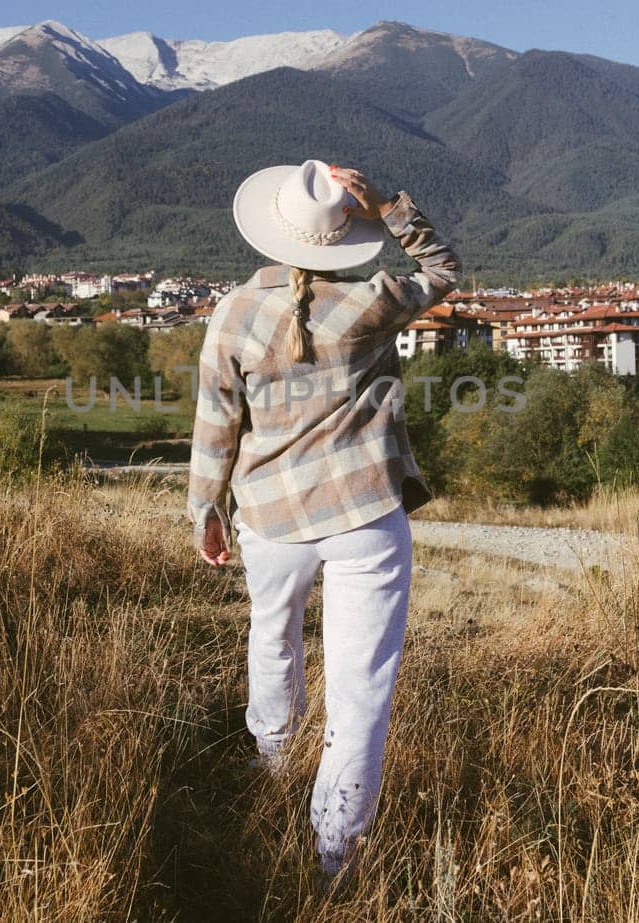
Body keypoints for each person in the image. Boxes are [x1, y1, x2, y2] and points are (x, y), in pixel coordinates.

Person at [187, 159, 461, 876]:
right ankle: (335, 853)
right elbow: (443, 269)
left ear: (273, 230)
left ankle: (272, 767)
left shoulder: (233, 312)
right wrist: (392, 204)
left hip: (268, 516)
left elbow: (216, 420)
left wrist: (206, 508)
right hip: (364, 512)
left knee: (272, 640)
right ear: (344, 236)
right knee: (360, 684)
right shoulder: (373, 299)